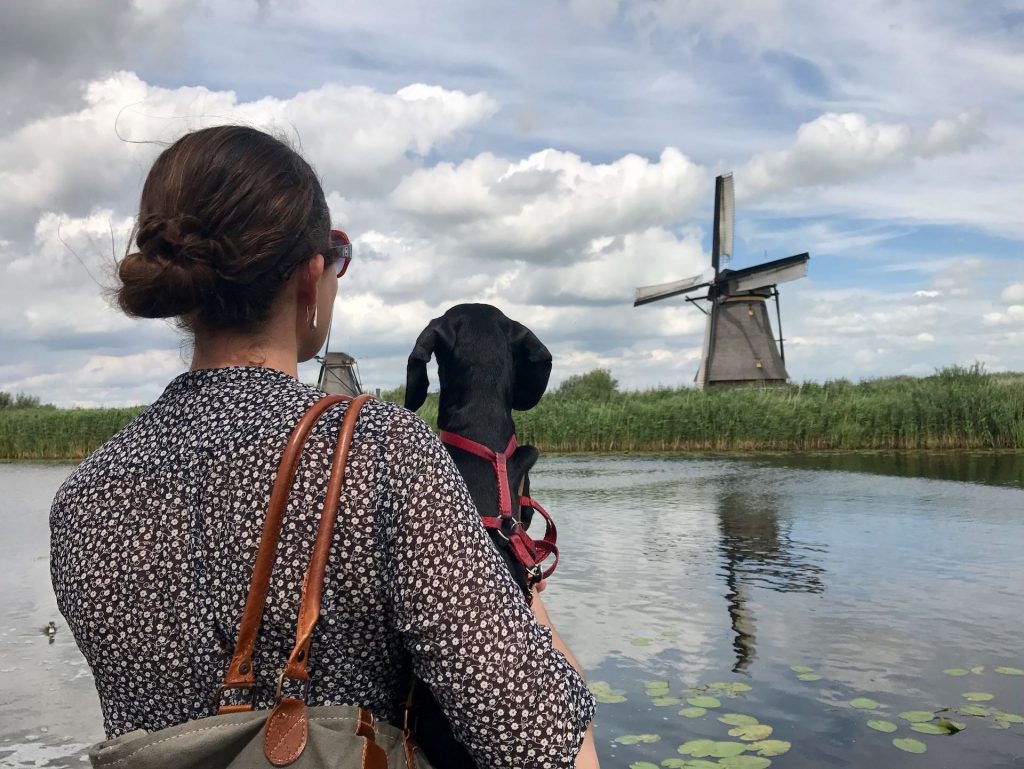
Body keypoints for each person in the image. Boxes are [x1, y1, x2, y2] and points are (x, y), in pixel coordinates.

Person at [49, 125, 599, 769]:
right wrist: (518, 577)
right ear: (311, 279)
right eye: (337, 258)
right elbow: (542, 745)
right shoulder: (379, 450)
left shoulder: (82, 496)